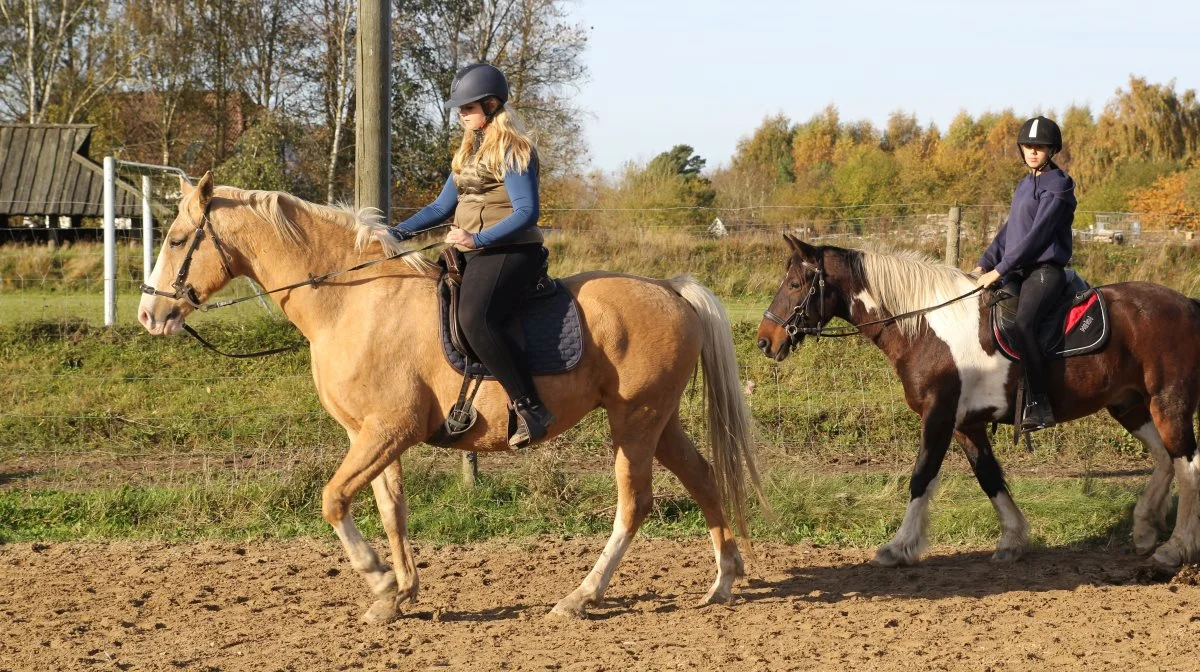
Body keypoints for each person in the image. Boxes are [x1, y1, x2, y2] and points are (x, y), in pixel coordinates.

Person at [378, 62, 554, 447]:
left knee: (475, 317)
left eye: (468, 107)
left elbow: (527, 212)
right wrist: (393, 233)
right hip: (473, 250)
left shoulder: (512, 149)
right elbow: (440, 208)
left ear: (491, 105)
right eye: (459, 108)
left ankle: (530, 406)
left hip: (510, 249)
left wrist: (477, 240)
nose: (461, 114)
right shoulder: (471, 152)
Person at [973, 115, 1077, 432]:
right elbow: (1010, 232)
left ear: (1051, 150)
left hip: (1045, 271)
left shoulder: (1059, 185)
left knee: (1024, 323)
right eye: (1028, 146)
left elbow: (1037, 237)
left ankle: (1040, 404)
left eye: (1040, 147)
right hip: (1017, 270)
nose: (1033, 151)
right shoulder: (1025, 183)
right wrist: (985, 261)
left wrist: (1000, 270)